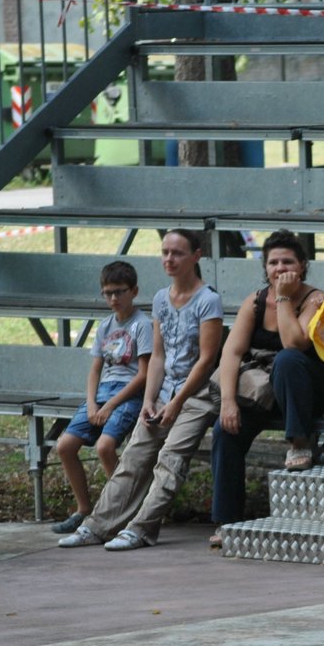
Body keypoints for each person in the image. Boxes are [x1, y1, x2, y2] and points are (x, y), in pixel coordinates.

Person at [58, 229, 223, 551]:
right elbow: (158, 356)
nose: (169, 259)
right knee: (134, 457)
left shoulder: (208, 300)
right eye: (165, 252)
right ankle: (98, 526)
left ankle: (142, 529)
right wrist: (149, 399)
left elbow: (206, 360)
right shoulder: (161, 298)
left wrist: (176, 403)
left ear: (195, 256)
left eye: (177, 253)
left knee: (170, 459)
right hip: (161, 393)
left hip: (196, 397)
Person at [208, 231, 324, 544]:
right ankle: (226, 521)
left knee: (287, 359)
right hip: (266, 391)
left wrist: (283, 298)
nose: (280, 268)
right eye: (273, 262)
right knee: (224, 431)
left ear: (302, 266)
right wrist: (229, 402)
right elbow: (231, 353)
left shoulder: (315, 299)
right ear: (265, 267)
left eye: (287, 262)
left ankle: (299, 440)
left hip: (314, 388)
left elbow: (294, 342)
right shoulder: (254, 302)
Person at [50, 260, 153, 535]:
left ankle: (123, 509)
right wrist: (93, 402)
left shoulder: (142, 325)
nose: (113, 298)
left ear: (134, 291)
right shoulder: (105, 326)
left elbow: (143, 375)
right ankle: (84, 510)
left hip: (127, 393)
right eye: (108, 293)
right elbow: (95, 369)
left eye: (119, 292)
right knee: (65, 445)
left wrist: (110, 405)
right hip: (102, 393)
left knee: (105, 447)